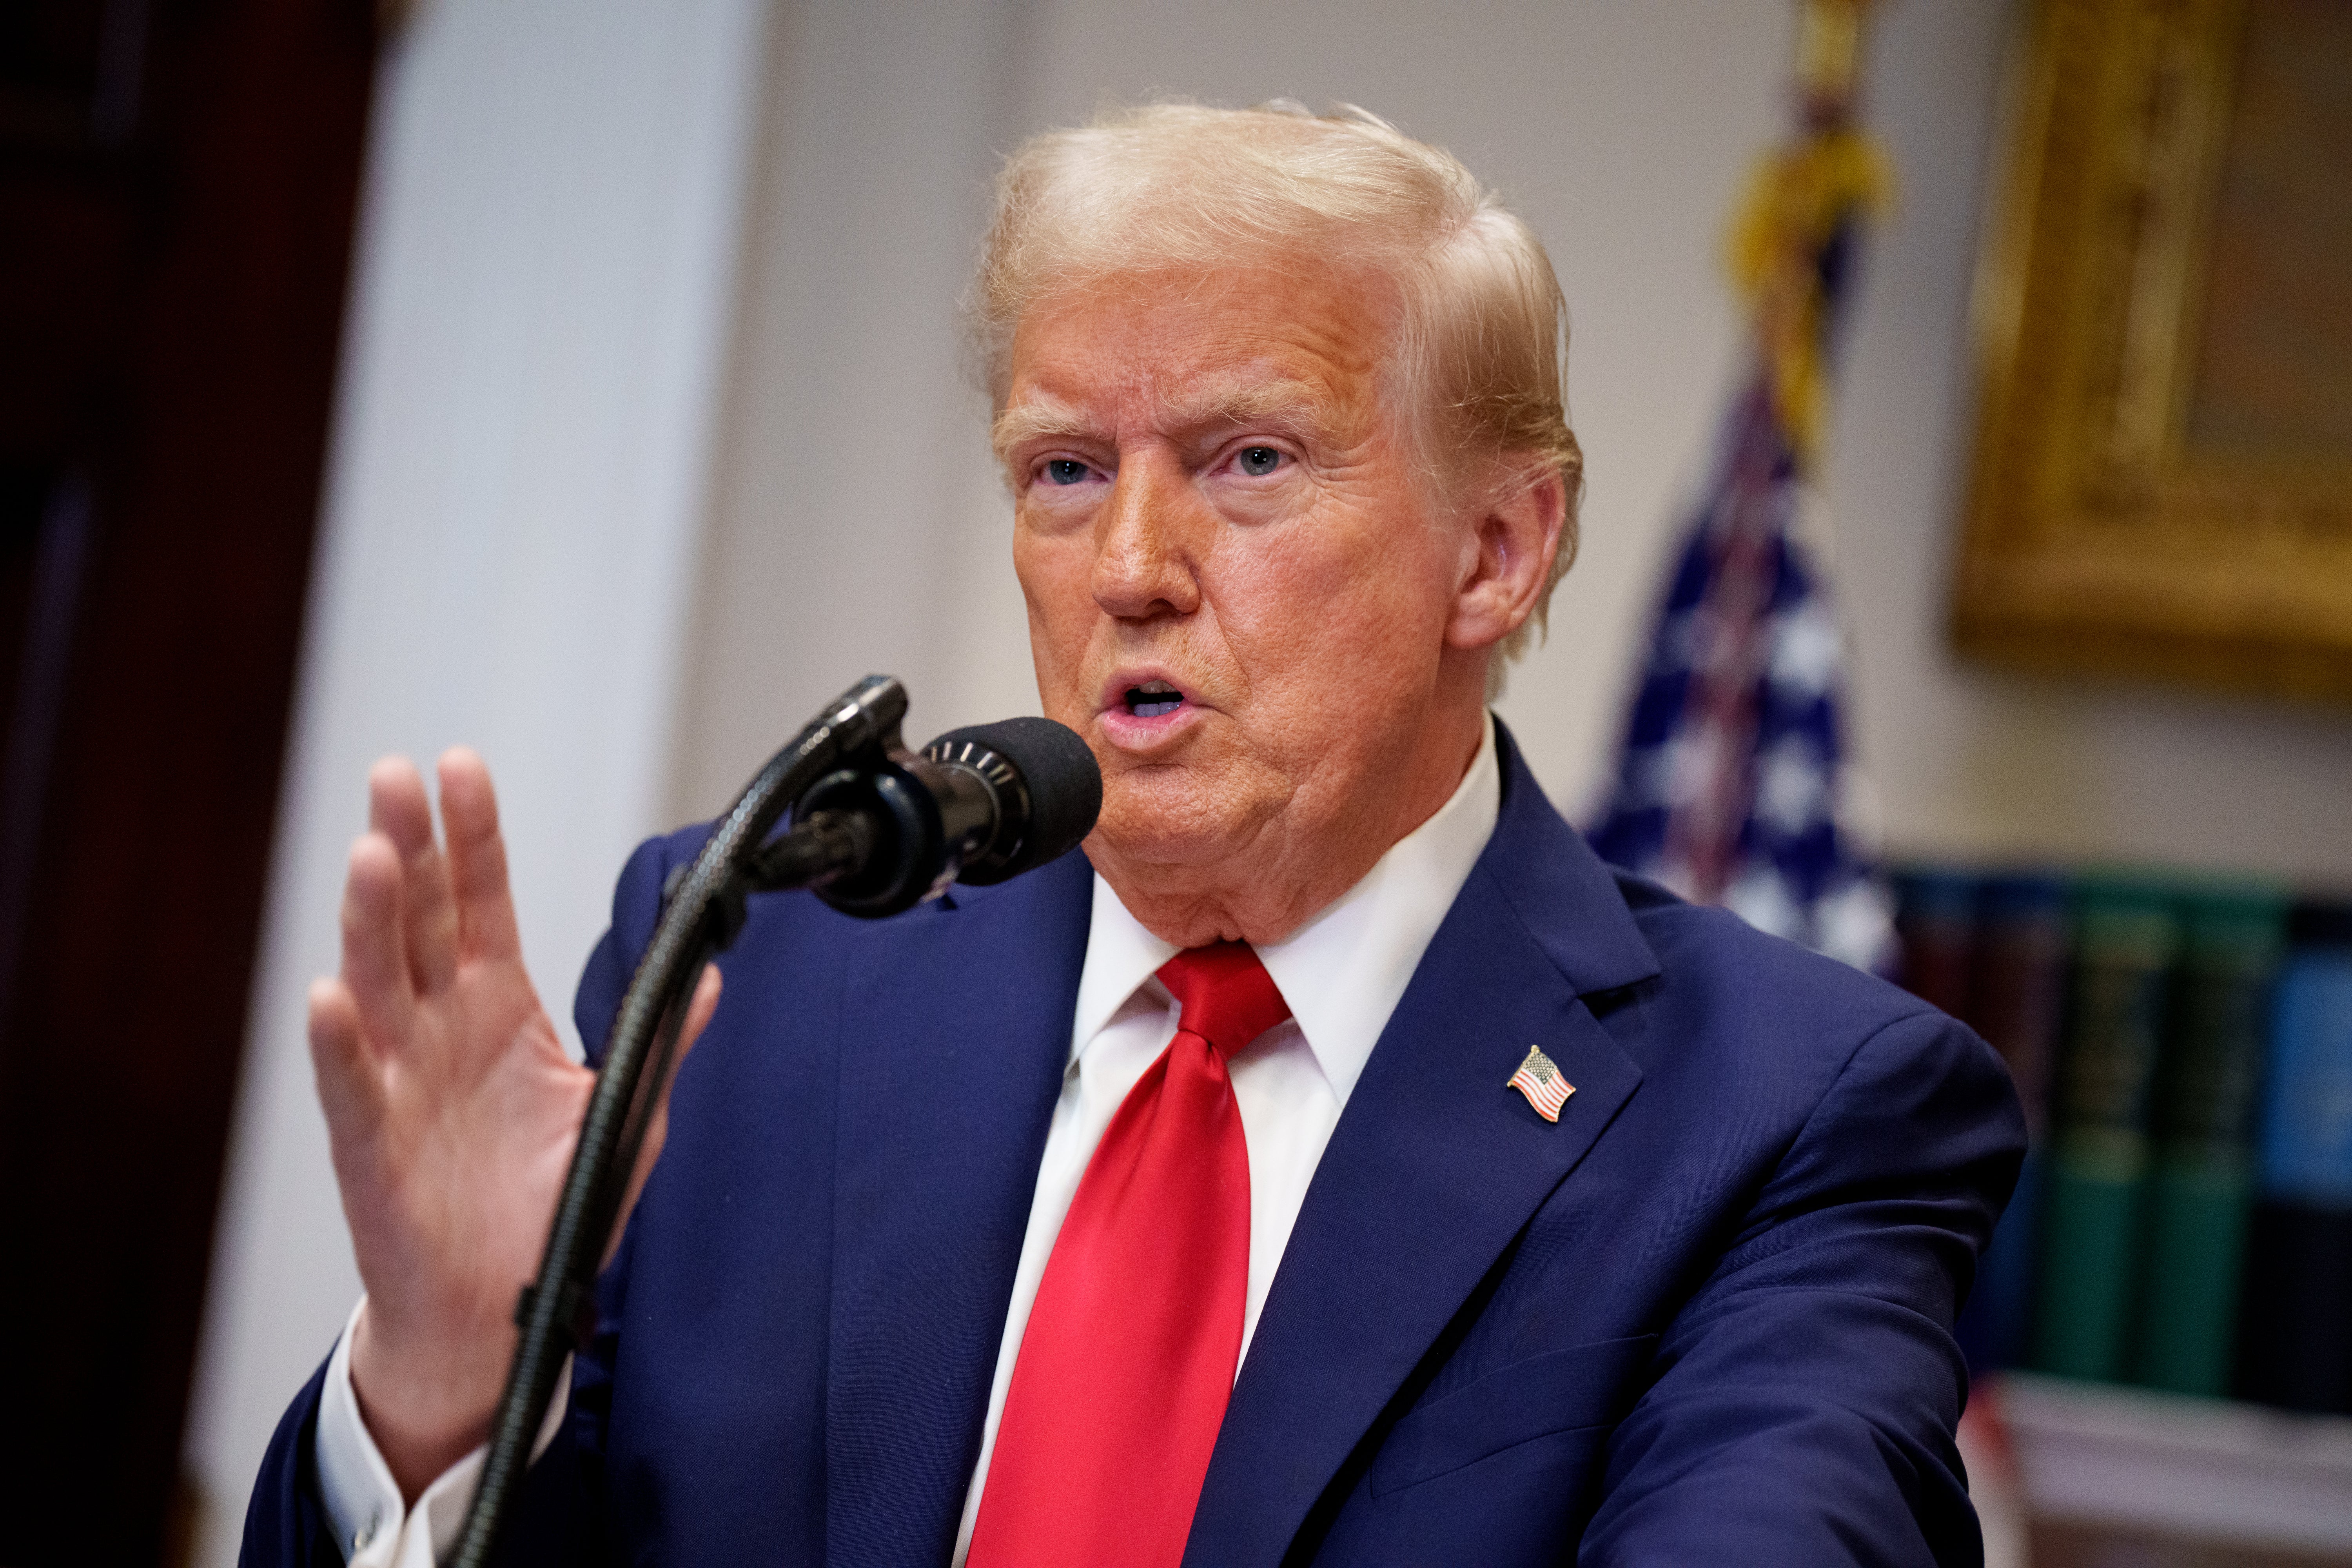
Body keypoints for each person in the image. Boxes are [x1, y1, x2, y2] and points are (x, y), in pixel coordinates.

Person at [243, 102, 2023, 1567]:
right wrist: (449, 1387)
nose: (1132, 569)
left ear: (1498, 550)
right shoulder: (752, 964)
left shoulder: (1797, 1116)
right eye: (1065, 469)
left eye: (1251, 460)